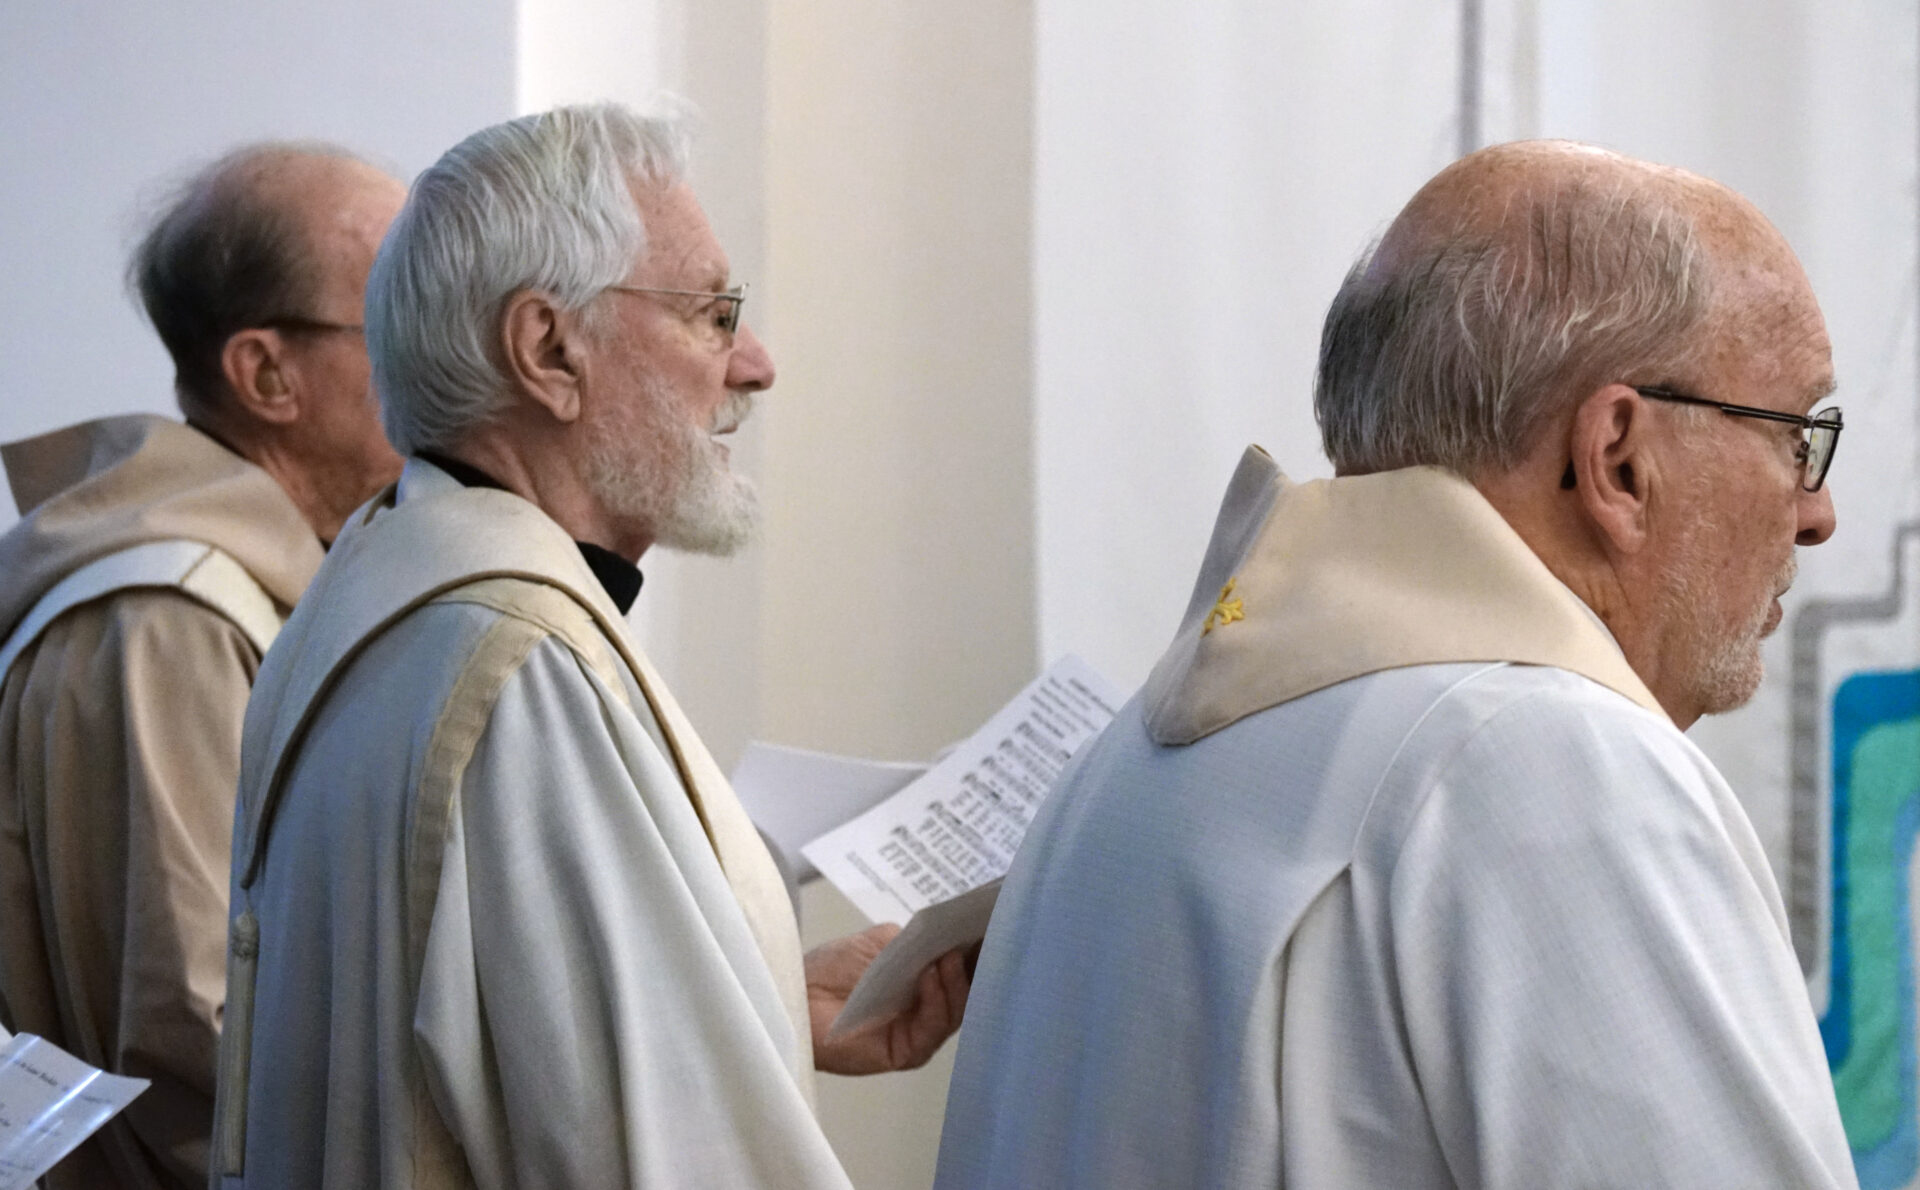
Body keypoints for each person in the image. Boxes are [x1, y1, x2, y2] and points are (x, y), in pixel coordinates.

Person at [935, 140, 1858, 1188]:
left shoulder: (1132, 756)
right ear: (1618, 460)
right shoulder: (1544, 761)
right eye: (1799, 437)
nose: (1818, 512)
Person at [209, 102, 970, 1189]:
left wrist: (764, 1006)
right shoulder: (519, 665)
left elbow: (501, 1052)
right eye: (711, 311)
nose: (753, 363)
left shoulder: (376, 585)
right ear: (549, 349)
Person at [0, 144, 406, 1190]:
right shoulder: (161, 618)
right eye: (401, 320)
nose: (447, 360)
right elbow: (205, 1031)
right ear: (267, 373)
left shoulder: (269, 583)